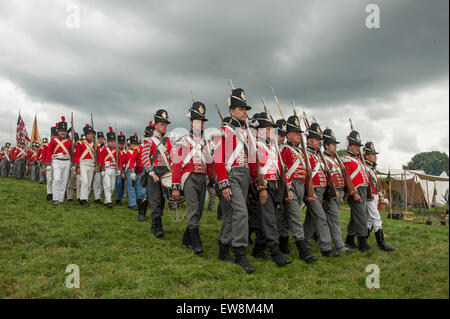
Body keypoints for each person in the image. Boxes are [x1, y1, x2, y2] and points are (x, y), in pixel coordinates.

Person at [213, 87, 255, 273]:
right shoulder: (224, 131)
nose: (244, 111)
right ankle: (239, 252)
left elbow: (251, 159)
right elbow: (217, 159)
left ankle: (223, 248)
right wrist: (223, 183)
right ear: (232, 111)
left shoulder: (245, 133)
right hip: (230, 176)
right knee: (241, 212)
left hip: (244, 176)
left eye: (245, 108)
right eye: (240, 108)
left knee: (231, 215)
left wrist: (256, 180)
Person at [249, 112, 292, 267]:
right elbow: (254, 168)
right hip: (264, 186)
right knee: (269, 220)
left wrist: (285, 187)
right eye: (268, 129)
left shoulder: (272, 146)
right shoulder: (254, 144)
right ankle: (275, 251)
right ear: (259, 130)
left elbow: (279, 168)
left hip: (275, 185)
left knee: (270, 219)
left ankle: (258, 249)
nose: (271, 132)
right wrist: (261, 188)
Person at [172, 101, 212, 254]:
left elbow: (208, 163)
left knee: (199, 210)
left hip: (202, 178)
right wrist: (176, 186)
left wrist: (212, 179)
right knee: (194, 208)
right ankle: (196, 242)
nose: (200, 123)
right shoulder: (183, 141)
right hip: (188, 178)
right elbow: (176, 165)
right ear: (191, 122)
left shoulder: (206, 142)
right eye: (197, 120)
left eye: (202, 121)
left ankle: (186, 237)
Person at [280, 115, 318, 263]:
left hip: (302, 185)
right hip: (291, 185)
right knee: (296, 217)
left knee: (285, 217)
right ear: (288, 134)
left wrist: (310, 191)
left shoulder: (301, 152)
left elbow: (307, 171)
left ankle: (283, 244)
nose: (298, 135)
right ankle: (303, 251)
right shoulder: (285, 150)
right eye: (295, 133)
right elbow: (283, 171)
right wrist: (287, 188)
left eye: (299, 133)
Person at [303, 122, 339, 257]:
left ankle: (304, 242)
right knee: (321, 218)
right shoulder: (305, 154)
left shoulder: (318, 155)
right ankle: (326, 248)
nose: (320, 143)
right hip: (312, 192)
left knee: (311, 220)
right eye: (317, 140)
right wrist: (308, 193)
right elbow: (306, 175)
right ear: (310, 141)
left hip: (321, 191)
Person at [343, 130, 375, 252]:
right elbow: (347, 178)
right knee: (362, 217)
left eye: (358, 146)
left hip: (362, 189)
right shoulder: (346, 159)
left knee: (355, 217)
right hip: (355, 191)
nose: (357, 148)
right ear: (349, 146)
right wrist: (354, 193)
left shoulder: (358, 159)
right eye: (355, 146)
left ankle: (350, 239)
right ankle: (363, 243)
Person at [141, 110, 172, 237]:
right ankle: (158, 227)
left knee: (163, 199)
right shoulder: (149, 140)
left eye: (165, 124)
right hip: (153, 173)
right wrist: (151, 172)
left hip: (165, 173)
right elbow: (144, 157)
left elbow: (171, 157)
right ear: (156, 125)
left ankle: (155, 221)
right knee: (155, 200)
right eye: (161, 124)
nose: (164, 127)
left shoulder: (169, 141)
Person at [322, 128, 353, 254]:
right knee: (334, 219)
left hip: (339, 191)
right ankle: (339, 245)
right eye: (333, 145)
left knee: (322, 220)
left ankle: (312, 241)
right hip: (331, 192)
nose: (335, 147)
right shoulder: (323, 158)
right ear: (327, 146)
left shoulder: (336, 159)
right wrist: (330, 191)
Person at [363, 141, 395, 251]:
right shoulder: (365, 168)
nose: (375, 156)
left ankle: (363, 240)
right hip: (369, 195)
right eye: (372, 154)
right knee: (376, 218)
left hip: (374, 195)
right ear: (366, 156)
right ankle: (381, 244)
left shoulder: (371, 168)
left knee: (370, 220)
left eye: (375, 154)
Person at [44, 116, 72, 206]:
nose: (63, 132)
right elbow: (49, 153)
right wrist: (48, 164)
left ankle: (60, 199)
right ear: (58, 132)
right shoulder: (53, 141)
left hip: (66, 161)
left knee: (64, 181)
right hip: (56, 161)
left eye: (64, 131)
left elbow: (73, 153)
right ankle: (55, 198)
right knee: (56, 179)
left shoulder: (70, 142)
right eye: (61, 131)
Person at [130, 128, 152, 221]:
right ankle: (140, 214)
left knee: (147, 193)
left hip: (151, 172)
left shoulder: (153, 148)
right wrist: (132, 172)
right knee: (142, 193)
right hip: (141, 173)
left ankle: (144, 213)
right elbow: (132, 161)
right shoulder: (138, 148)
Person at [74, 124, 97, 206]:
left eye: (92, 134)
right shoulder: (80, 143)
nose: (90, 135)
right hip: (83, 163)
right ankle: (83, 199)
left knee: (89, 182)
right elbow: (77, 155)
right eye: (89, 134)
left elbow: (96, 156)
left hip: (91, 164)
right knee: (84, 181)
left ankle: (85, 198)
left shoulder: (95, 145)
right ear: (86, 135)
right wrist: (77, 166)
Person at [98, 127, 120, 208]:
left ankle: (107, 200)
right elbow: (100, 159)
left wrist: (119, 169)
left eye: (114, 141)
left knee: (112, 187)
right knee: (107, 185)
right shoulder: (104, 149)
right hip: (106, 169)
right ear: (108, 142)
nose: (113, 143)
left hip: (114, 169)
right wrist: (102, 169)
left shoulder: (117, 151)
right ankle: (109, 202)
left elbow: (119, 162)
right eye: (111, 141)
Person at [42, 125, 57, 201]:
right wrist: (44, 166)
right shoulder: (46, 145)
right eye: (53, 136)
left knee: (56, 179)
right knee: (49, 179)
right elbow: (44, 156)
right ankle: (49, 193)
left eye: (56, 136)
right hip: (49, 163)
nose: (54, 137)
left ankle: (55, 193)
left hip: (57, 163)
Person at [114, 132, 127, 205]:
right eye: (120, 143)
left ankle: (120, 198)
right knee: (118, 183)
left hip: (124, 168)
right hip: (118, 169)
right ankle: (117, 198)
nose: (121, 145)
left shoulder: (126, 152)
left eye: (122, 143)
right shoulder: (116, 151)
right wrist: (121, 171)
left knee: (122, 184)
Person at [66, 133, 81, 202]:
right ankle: (69, 196)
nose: (76, 143)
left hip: (78, 166)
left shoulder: (80, 147)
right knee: (70, 182)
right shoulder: (70, 147)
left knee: (79, 182)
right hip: (71, 166)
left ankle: (79, 196)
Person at [93, 131, 105, 204]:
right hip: (97, 166)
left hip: (103, 167)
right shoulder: (95, 147)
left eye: (102, 138)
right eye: (99, 138)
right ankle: (96, 197)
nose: (101, 140)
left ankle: (99, 197)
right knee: (96, 182)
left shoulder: (105, 148)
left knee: (102, 183)